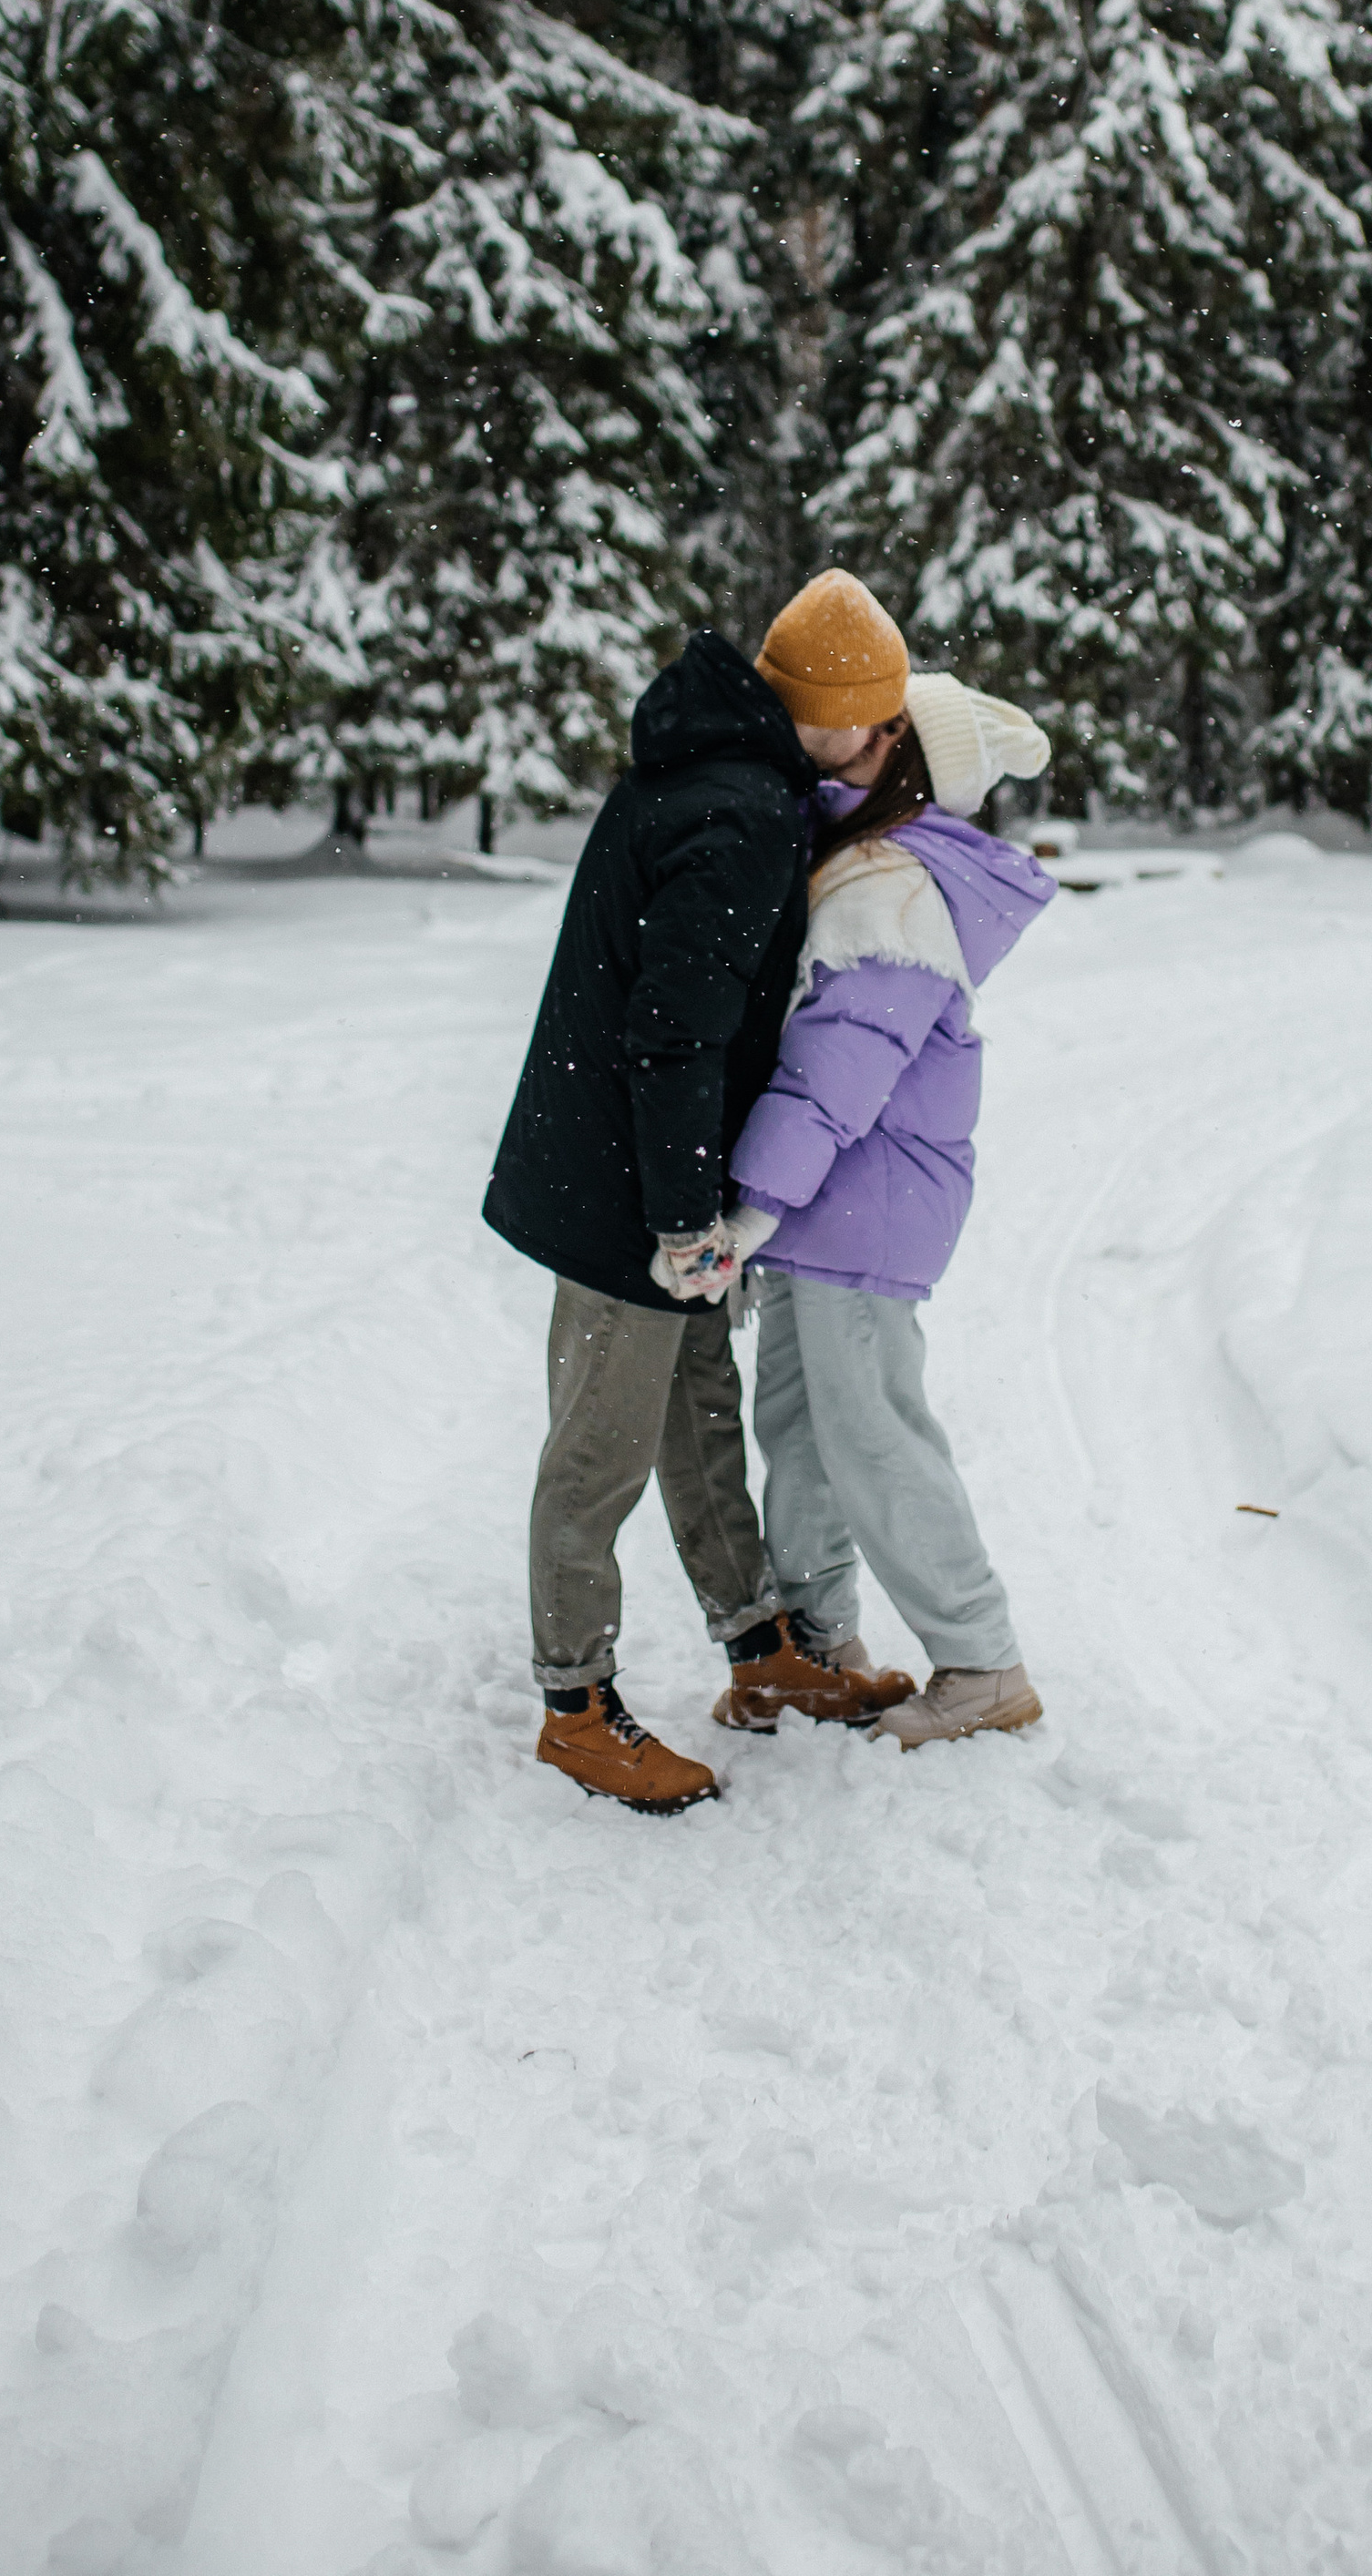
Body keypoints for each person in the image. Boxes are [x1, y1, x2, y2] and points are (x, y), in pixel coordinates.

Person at [484, 574, 922, 1814]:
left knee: (697, 1408)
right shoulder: (737, 812)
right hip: (631, 1185)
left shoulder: (728, 772)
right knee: (603, 1445)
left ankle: (760, 1651)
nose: (888, 746)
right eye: (881, 724)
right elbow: (670, 1035)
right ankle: (577, 1707)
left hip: (653, 1168)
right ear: (829, 714)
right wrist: (683, 1220)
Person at [722, 669, 1057, 1747]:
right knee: (801, 1428)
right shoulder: (856, 858)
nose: (834, 739)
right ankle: (818, 1642)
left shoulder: (893, 888)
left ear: (904, 762)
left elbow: (837, 1072)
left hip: (861, 1204)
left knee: (872, 1434)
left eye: (868, 734)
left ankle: (979, 1661)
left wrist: (753, 1207)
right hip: (831, 1199)